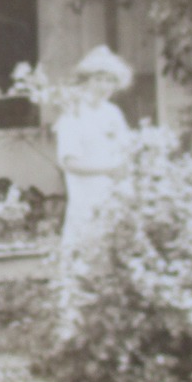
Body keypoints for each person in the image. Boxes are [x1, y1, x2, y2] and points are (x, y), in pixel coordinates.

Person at [54, 45, 133, 250]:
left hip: (116, 197)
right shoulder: (73, 114)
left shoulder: (113, 113)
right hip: (86, 198)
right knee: (86, 252)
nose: (104, 86)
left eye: (110, 80)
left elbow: (126, 150)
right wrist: (108, 170)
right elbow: (69, 162)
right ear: (86, 81)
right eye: (98, 79)